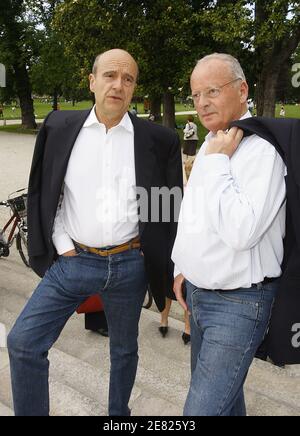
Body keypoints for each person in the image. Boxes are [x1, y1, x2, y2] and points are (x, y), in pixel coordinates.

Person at [7, 49, 183, 417]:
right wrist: (60, 243)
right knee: (23, 342)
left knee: (124, 350)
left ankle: (118, 416)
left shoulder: (159, 139)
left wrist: (158, 262)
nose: (118, 85)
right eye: (110, 76)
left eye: (128, 79)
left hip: (130, 264)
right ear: (92, 81)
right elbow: (44, 190)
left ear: (134, 88)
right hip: (74, 261)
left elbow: (166, 211)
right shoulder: (58, 128)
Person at [172, 53, 286, 416]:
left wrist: (218, 162)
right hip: (198, 295)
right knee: (227, 404)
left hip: (239, 303)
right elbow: (192, 214)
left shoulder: (263, 149)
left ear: (242, 90)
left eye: (212, 91)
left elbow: (242, 231)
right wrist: (181, 267)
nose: (202, 102)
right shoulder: (211, 142)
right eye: (195, 95)